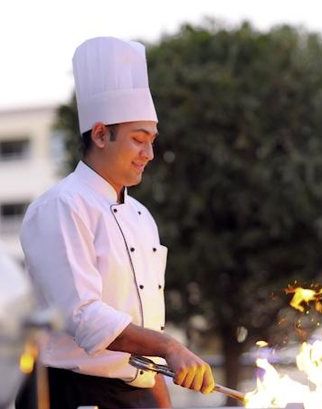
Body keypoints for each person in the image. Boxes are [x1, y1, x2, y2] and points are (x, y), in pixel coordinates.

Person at [20, 37, 215, 408]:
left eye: (152, 141)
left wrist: (161, 397)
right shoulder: (61, 206)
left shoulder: (142, 217)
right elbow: (83, 316)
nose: (149, 153)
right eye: (139, 139)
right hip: (72, 393)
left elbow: (146, 331)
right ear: (99, 135)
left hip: (135, 395)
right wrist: (170, 347)